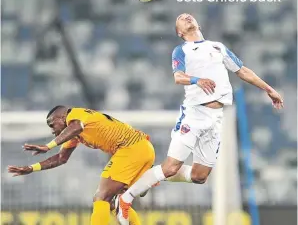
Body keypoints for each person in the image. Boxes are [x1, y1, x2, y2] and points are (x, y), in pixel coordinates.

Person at [116, 13, 284, 224]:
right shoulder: (181, 50)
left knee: (199, 177)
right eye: (180, 18)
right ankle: (126, 198)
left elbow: (242, 71)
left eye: (188, 15)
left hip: (216, 119)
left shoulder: (218, 47)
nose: (186, 16)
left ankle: (152, 176)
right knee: (170, 167)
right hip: (194, 115)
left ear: (198, 23)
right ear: (179, 32)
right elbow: (178, 77)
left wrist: (269, 89)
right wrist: (197, 80)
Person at [7, 106, 155, 225]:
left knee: (101, 197)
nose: (53, 131)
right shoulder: (76, 133)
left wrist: (48, 146)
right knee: (114, 201)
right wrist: (32, 168)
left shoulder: (75, 115)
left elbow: (77, 126)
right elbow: (61, 158)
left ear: (61, 117)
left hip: (131, 149)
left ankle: (159, 175)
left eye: (52, 125)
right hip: (143, 149)